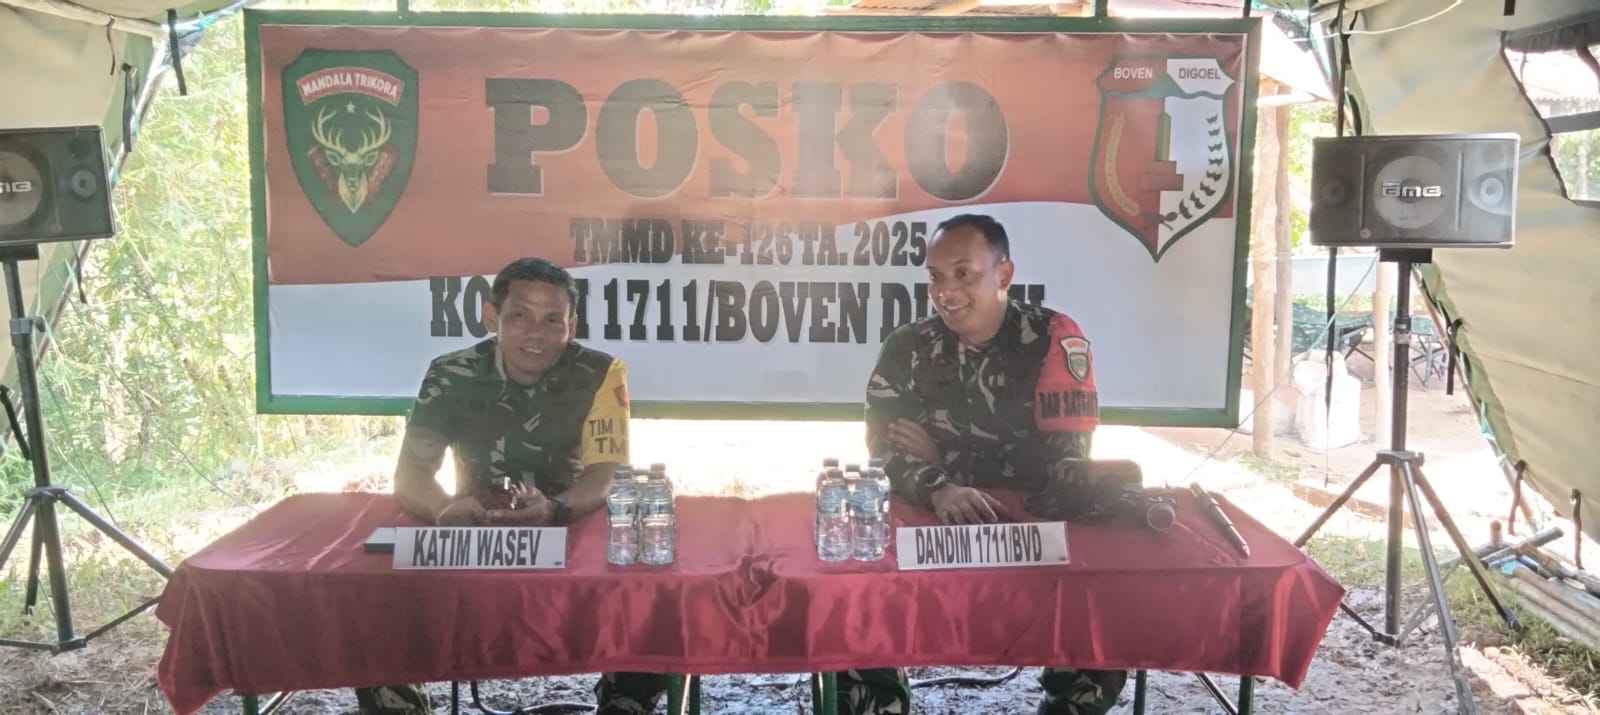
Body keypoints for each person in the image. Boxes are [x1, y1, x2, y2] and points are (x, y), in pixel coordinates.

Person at [356, 257, 670, 715]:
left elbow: (606, 473)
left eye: (552, 320)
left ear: (571, 326)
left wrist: (556, 509)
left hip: (573, 531)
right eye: (520, 316)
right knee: (372, 600)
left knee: (653, 590)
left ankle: (624, 702)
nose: (536, 334)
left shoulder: (601, 372)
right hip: (476, 537)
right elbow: (411, 474)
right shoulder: (451, 373)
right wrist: (444, 509)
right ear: (492, 317)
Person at [854, 214, 1128, 715]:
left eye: (963, 273)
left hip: (1030, 533)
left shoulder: (1052, 338)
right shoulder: (907, 346)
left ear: (1004, 273)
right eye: (935, 276)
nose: (946, 292)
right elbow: (883, 452)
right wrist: (938, 486)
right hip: (933, 527)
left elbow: (1065, 464)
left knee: (1099, 622)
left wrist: (943, 458)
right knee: (853, 604)